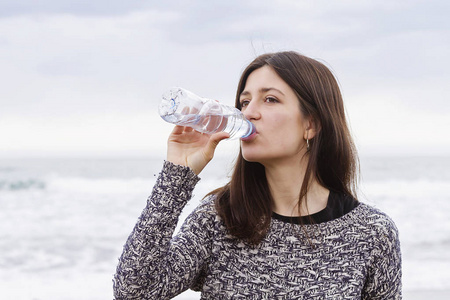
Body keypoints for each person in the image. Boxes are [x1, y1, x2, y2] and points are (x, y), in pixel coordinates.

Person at [113, 51, 402, 299]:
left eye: (270, 100)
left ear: (311, 124)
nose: (249, 113)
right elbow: (134, 291)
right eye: (245, 101)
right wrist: (178, 174)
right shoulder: (221, 219)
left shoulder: (372, 233)